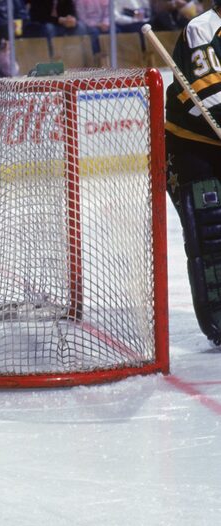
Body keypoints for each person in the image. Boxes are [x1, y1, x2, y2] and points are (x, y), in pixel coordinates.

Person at [163, 1, 221, 345]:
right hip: (193, 147)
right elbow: (209, 97)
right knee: (212, 235)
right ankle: (218, 321)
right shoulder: (203, 29)